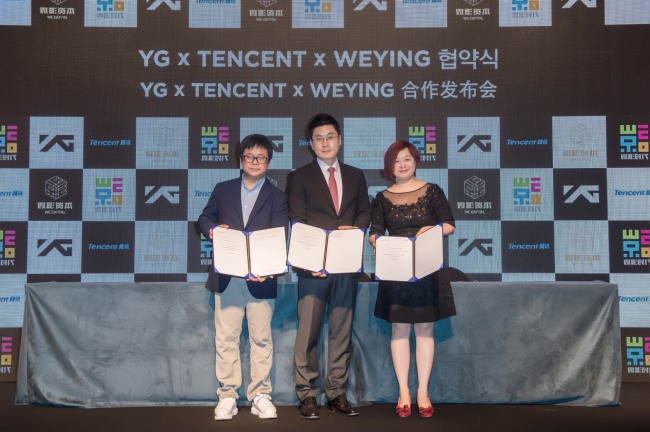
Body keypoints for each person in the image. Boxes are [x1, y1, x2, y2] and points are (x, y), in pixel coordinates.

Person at [197, 134, 288, 421]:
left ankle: (261, 394)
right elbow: (203, 219)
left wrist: (270, 267)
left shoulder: (278, 197)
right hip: (228, 277)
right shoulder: (223, 190)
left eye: (261, 158)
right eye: (249, 157)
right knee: (226, 339)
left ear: (269, 162)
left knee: (261, 339)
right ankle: (227, 395)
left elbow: (280, 235)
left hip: (262, 279)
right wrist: (213, 230)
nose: (254, 162)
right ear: (241, 160)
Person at [286, 113, 371, 419]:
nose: (325, 143)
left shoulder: (356, 175)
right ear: (311, 144)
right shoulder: (299, 176)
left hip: (346, 266)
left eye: (330, 137)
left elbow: (364, 213)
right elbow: (297, 219)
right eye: (319, 138)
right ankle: (307, 393)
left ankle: (336, 391)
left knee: (341, 330)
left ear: (339, 139)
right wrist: (313, 261)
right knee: (307, 331)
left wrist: (354, 230)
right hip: (313, 268)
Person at [368, 140, 456, 418]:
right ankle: (404, 391)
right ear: (389, 167)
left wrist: (433, 228)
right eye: (396, 161)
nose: (402, 164)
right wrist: (379, 242)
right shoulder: (381, 198)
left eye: (407, 159)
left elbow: (450, 224)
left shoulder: (432, 191)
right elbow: (374, 232)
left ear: (416, 160)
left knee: (425, 332)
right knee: (399, 332)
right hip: (396, 272)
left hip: (428, 270)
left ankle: (423, 392)